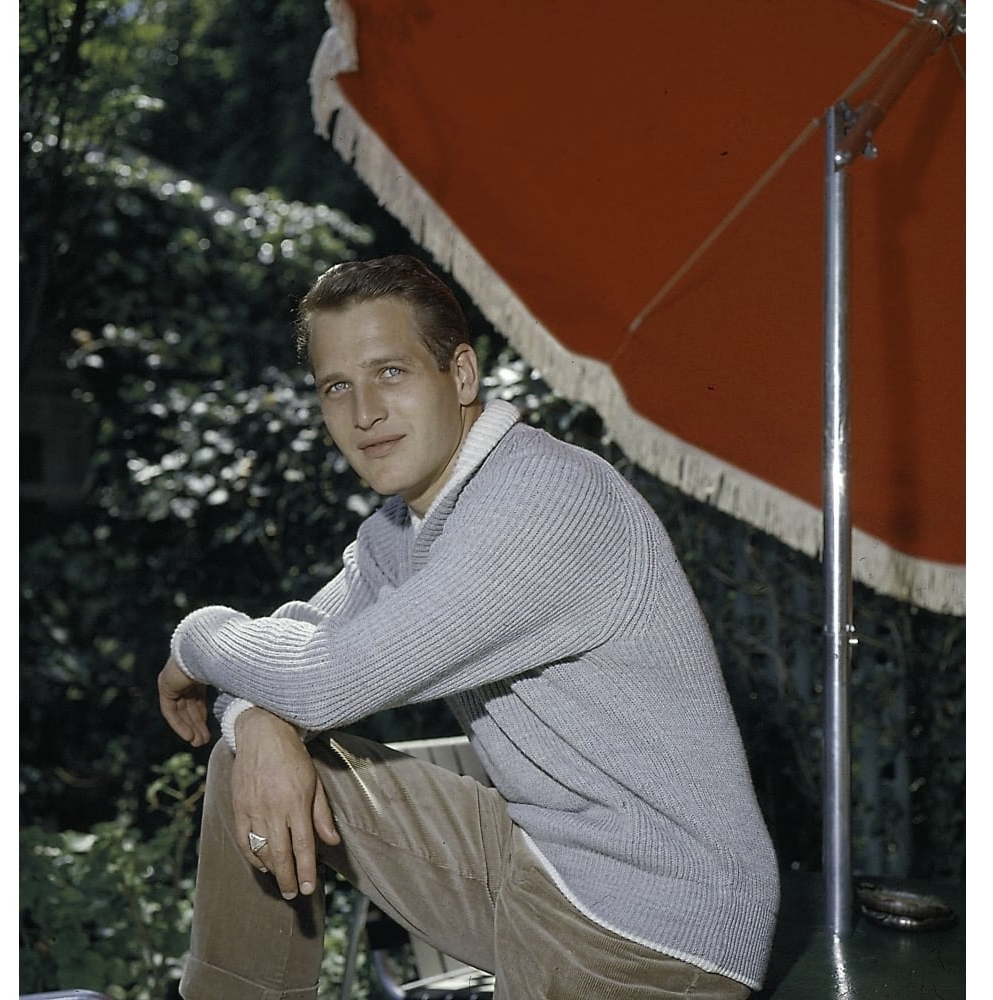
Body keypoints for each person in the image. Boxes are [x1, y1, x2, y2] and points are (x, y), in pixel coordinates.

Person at [158, 254, 779, 999]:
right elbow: (288, 652)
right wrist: (255, 718)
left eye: (391, 372)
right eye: (336, 387)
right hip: (537, 863)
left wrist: (197, 638)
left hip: (657, 932)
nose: (364, 413)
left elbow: (322, 678)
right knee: (248, 756)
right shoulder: (400, 528)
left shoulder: (545, 498)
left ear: (460, 376)